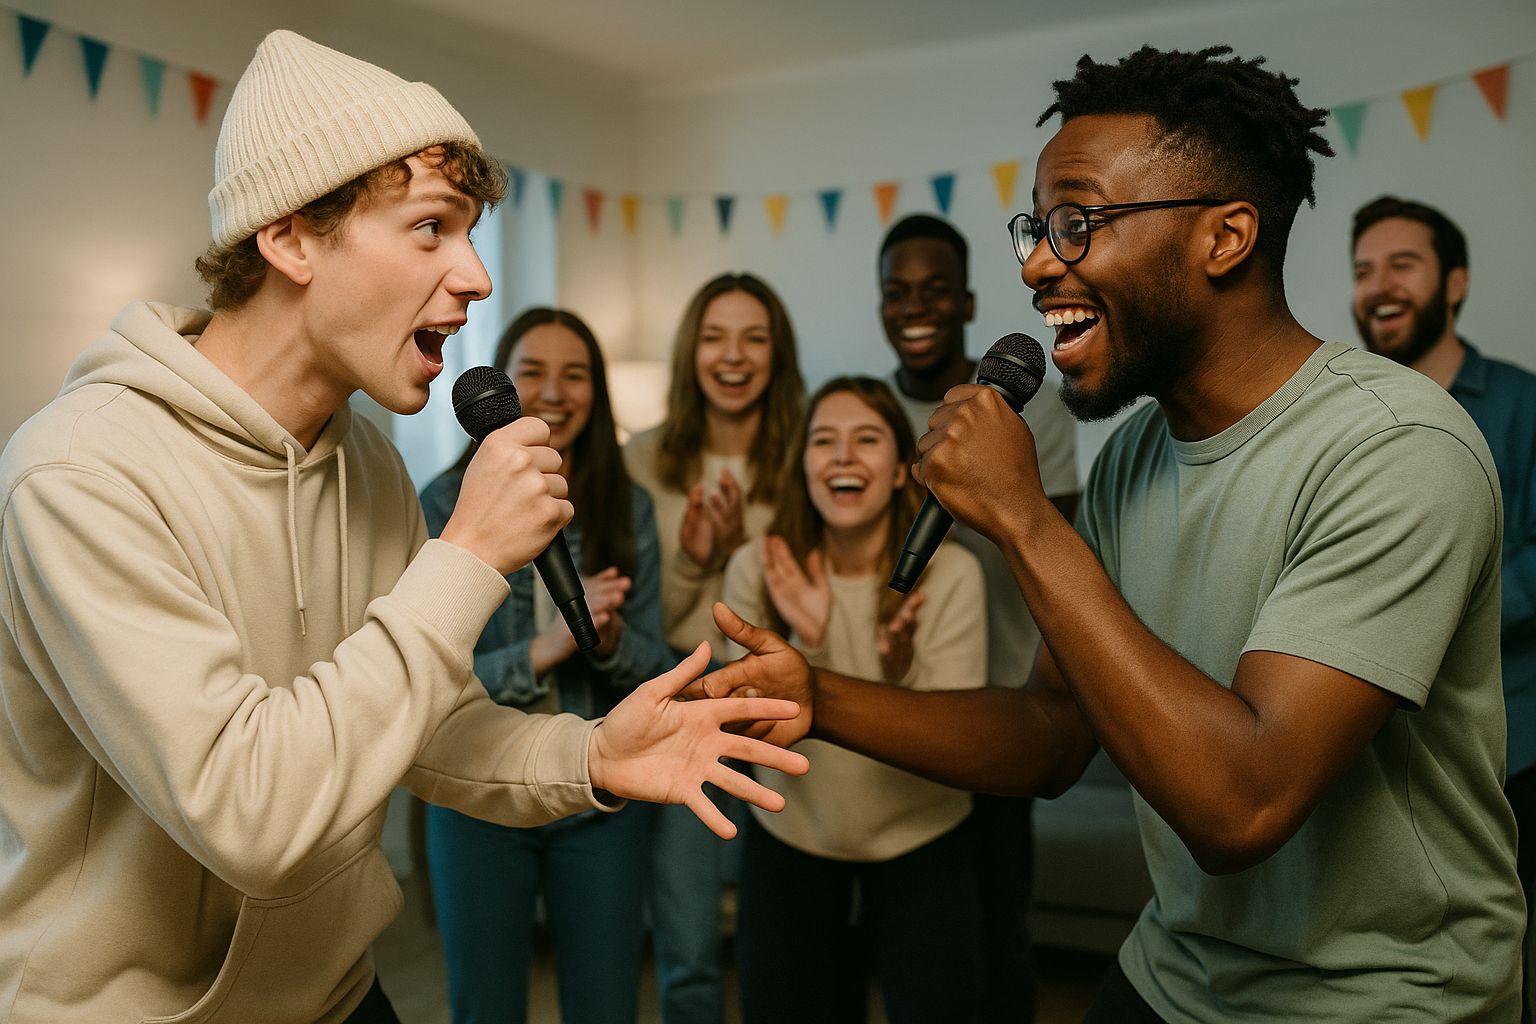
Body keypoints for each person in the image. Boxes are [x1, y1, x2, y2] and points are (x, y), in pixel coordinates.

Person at [704, 45, 1524, 1021]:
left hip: (1382, 997)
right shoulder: (1136, 452)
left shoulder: (1395, 448)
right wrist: (818, 696)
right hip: (1179, 969)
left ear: (1224, 237)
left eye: (1077, 223)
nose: (1039, 263)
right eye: (1037, 228)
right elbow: (1049, 733)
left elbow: (1244, 803)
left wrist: (1020, 517)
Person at [0, 30, 806, 1024]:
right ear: (290, 235)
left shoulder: (366, 458)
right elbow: (250, 812)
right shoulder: (80, 473)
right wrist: (466, 555)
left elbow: (427, 726)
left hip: (340, 995)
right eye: (432, 228)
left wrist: (591, 754)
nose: (476, 277)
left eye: (472, 233)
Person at [421, 308, 675, 1024]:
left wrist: (609, 638)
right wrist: (544, 648)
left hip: (598, 789)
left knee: (605, 1003)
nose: (554, 392)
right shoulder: (443, 503)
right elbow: (426, 676)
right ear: (500, 386)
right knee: (485, 1006)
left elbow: (657, 666)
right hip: (474, 793)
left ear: (597, 392)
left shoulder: (630, 507)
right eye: (533, 372)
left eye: (575, 374)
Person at [721, 376, 986, 1024]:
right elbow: (742, 734)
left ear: (901, 470)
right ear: (804, 466)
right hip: (793, 837)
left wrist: (898, 671)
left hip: (924, 840)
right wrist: (804, 639)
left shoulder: (951, 573)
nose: (842, 456)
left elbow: (955, 746)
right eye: (824, 441)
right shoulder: (759, 565)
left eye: (866, 439)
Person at [879, 212, 1080, 1022]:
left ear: (965, 304)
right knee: (925, 925)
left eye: (934, 291)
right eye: (897, 292)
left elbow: (1056, 555)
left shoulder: (1037, 412)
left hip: (1003, 701)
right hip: (907, 694)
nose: (914, 307)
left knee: (1000, 921)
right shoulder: (870, 408)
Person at [1351, 194, 1536, 1020]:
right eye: (1361, 271)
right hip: (1374, 749)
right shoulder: (1347, 413)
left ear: (1454, 282)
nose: (1378, 286)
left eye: (1402, 265)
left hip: (1516, 745)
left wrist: (1439, 613)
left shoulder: (1523, 403)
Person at [623, 272, 805, 1024]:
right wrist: (699, 564)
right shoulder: (640, 457)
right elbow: (640, 624)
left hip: (782, 721)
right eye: (715, 337)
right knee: (689, 942)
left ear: (777, 354)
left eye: (754, 338)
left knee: (787, 945)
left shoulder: (808, 457)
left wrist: (741, 562)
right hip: (681, 722)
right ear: (691, 350)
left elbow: (821, 621)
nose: (733, 357)